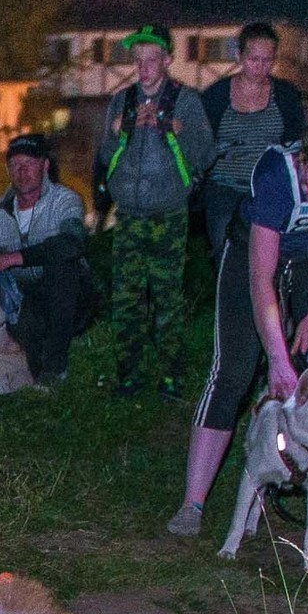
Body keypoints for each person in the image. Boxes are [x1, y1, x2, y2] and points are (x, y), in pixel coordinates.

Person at [170, 115, 308, 551]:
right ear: (303, 160)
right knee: (234, 369)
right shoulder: (275, 174)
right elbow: (261, 279)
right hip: (254, 252)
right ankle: (192, 504)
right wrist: (279, 359)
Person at [92, 24, 215, 395]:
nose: (143, 67)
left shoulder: (186, 100)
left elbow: (206, 154)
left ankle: (171, 376)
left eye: (151, 59)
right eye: (138, 59)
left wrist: (177, 129)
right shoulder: (122, 100)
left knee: (167, 299)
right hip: (128, 215)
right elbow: (104, 155)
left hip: (169, 215)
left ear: (167, 60)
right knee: (126, 299)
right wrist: (119, 130)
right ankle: (128, 375)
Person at [0, 132, 89, 384]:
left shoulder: (65, 201)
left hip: (69, 298)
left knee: (63, 269)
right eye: (15, 165)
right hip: (23, 300)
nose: (22, 171)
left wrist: (14, 258)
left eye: (29, 163)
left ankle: (55, 366)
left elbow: (71, 244)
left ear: (45, 166)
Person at [196, 23, 308, 252]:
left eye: (267, 60)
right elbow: (200, 143)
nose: (260, 67)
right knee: (225, 253)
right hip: (224, 189)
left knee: (267, 255)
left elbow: (297, 143)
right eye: (253, 59)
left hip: (269, 189)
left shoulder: (285, 96)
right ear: (239, 56)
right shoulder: (216, 95)